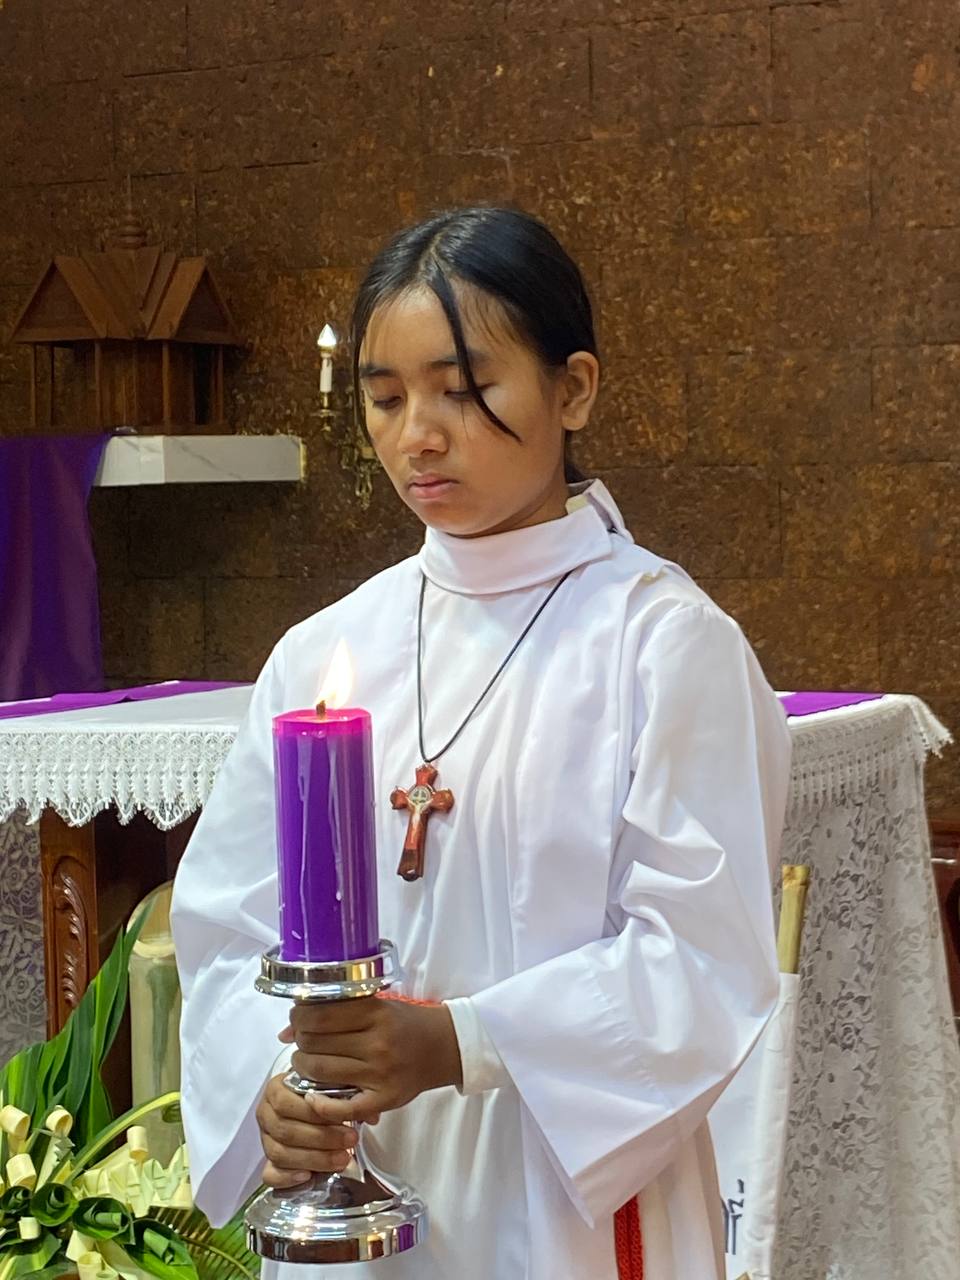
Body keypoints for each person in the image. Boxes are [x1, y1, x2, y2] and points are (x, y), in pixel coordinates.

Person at [170, 205, 792, 1280]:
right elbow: (229, 930)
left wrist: (459, 1042)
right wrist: (274, 1093)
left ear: (573, 388)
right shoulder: (325, 650)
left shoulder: (659, 644)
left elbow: (702, 955)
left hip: (559, 1181)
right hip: (358, 1172)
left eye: (462, 389)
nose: (418, 433)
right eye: (386, 398)